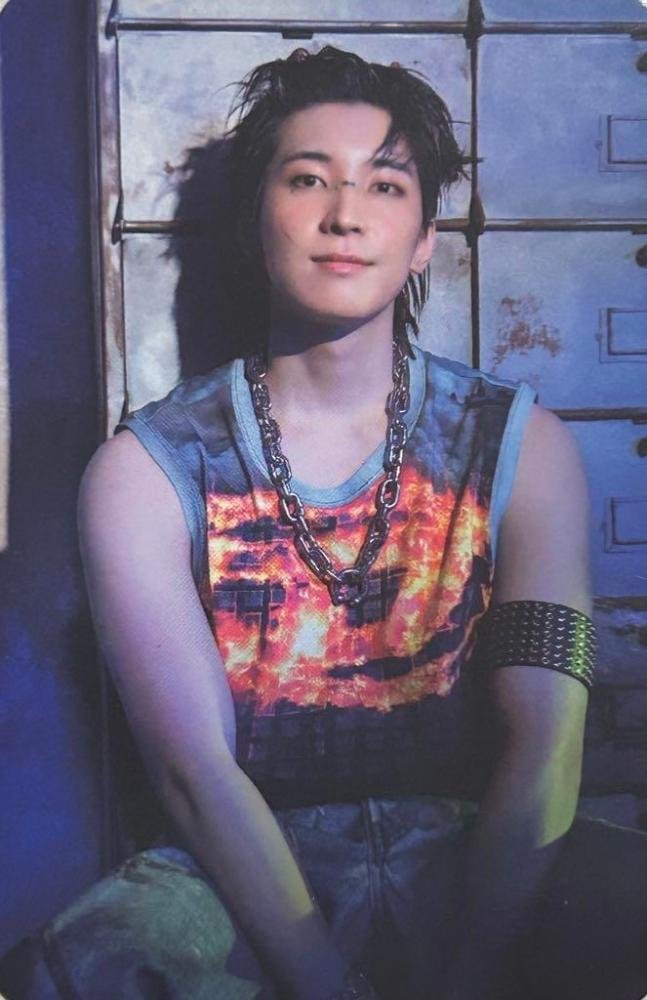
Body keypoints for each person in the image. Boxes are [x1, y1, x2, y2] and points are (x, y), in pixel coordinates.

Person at [2, 44, 647, 1000]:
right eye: (307, 178)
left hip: (473, 854)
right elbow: (194, 773)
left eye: (385, 186)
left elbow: (545, 742)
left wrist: (469, 973)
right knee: (83, 967)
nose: (344, 215)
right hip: (241, 878)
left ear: (423, 238)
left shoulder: (522, 445)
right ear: (254, 218)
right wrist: (327, 986)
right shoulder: (146, 472)